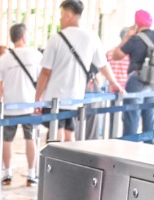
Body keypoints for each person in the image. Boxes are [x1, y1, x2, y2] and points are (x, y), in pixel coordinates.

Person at [34, 0, 123, 142]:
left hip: (55, 99)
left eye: (62, 15)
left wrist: (37, 98)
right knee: (70, 134)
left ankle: (56, 164)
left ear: (69, 15)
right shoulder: (92, 37)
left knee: (56, 133)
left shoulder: (56, 38)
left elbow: (45, 72)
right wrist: (114, 83)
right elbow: (103, 65)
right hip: (76, 98)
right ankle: (70, 163)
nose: (60, 19)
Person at [0, 23, 43, 186]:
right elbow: (42, 80)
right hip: (29, 105)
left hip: (9, 106)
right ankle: (31, 174)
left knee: (7, 140)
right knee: (31, 139)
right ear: (23, 36)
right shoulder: (35, 55)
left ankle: (7, 173)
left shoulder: (3, 59)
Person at [111, 9, 154, 138]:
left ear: (136, 24)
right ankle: (149, 151)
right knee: (150, 120)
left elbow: (116, 55)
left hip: (137, 81)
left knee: (132, 119)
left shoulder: (135, 39)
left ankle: (129, 150)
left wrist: (127, 37)